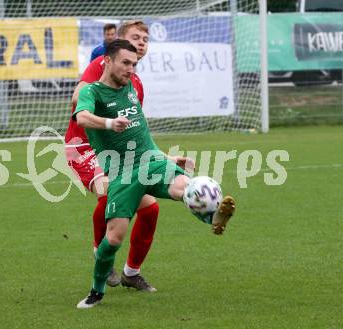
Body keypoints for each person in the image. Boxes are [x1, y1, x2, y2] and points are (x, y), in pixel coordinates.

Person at [73, 39, 236, 309]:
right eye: (125, 63)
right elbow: (82, 117)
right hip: (122, 174)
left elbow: (142, 134)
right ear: (108, 61)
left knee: (187, 185)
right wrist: (109, 123)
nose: (130, 69)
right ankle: (96, 291)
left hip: (151, 161)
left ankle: (213, 215)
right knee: (113, 239)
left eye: (134, 64)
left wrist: (168, 158)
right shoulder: (94, 92)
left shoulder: (132, 88)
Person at [65, 20, 158, 292]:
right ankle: (101, 255)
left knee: (151, 209)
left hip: (115, 151)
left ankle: (132, 272)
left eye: (145, 39)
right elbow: (76, 101)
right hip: (83, 147)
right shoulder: (102, 66)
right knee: (107, 194)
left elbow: (133, 130)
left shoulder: (135, 82)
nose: (141, 42)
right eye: (134, 37)